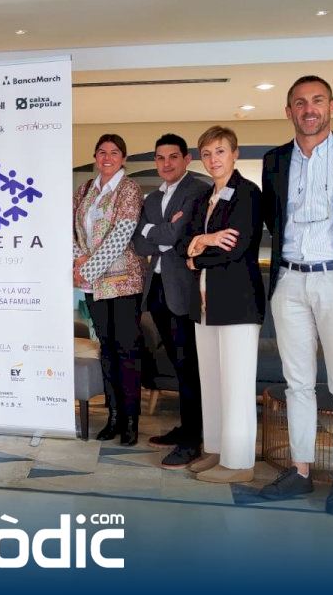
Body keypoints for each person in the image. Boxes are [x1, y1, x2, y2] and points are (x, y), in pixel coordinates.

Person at [257, 76, 333, 514]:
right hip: (289, 280)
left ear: (332, 105)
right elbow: (271, 218)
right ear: (288, 111)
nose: (309, 109)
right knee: (298, 383)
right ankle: (301, 470)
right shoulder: (274, 161)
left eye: (317, 101)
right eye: (299, 102)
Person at [179, 125, 264, 483]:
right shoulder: (203, 198)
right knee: (212, 382)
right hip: (204, 306)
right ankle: (215, 449)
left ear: (235, 154)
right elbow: (184, 240)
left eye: (220, 151)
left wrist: (196, 257)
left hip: (237, 304)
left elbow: (235, 248)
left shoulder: (247, 193)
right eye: (207, 153)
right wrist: (206, 238)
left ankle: (239, 462)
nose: (213, 159)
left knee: (236, 386)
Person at [132, 134, 211, 465]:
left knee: (189, 364)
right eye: (160, 158)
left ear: (186, 159)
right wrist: (160, 231)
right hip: (158, 288)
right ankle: (186, 428)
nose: (166, 163)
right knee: (178, 365)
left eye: (173, 157)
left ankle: (194, 439)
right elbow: (140, 244)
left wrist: (155, 231)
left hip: (184, 288)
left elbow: (179, 237)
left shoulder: (198, 190)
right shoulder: (152, 198)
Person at [73, 133, 145, 446]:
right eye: (102, 152)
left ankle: (130, 421)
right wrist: (79, 259)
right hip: (94, 287)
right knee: (106, 349)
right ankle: (113, 416)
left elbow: (121, 235)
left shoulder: (129, 189)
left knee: (126, 350)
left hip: (124, 281)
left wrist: (86, 269)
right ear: (95, 156)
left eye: (114, 152)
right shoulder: (85, 189)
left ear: (123, 158)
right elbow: (70, 229)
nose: (107, 158)